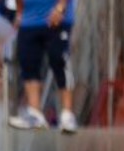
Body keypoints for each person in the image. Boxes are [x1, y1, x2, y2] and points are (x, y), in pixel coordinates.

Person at [9, 0, 77, 133]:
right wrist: (19, 13)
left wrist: (61, 7)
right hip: (29, 20)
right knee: (28, 63)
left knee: (60, 61)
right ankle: (35, 113)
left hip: (56, 17)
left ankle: (67, 114)